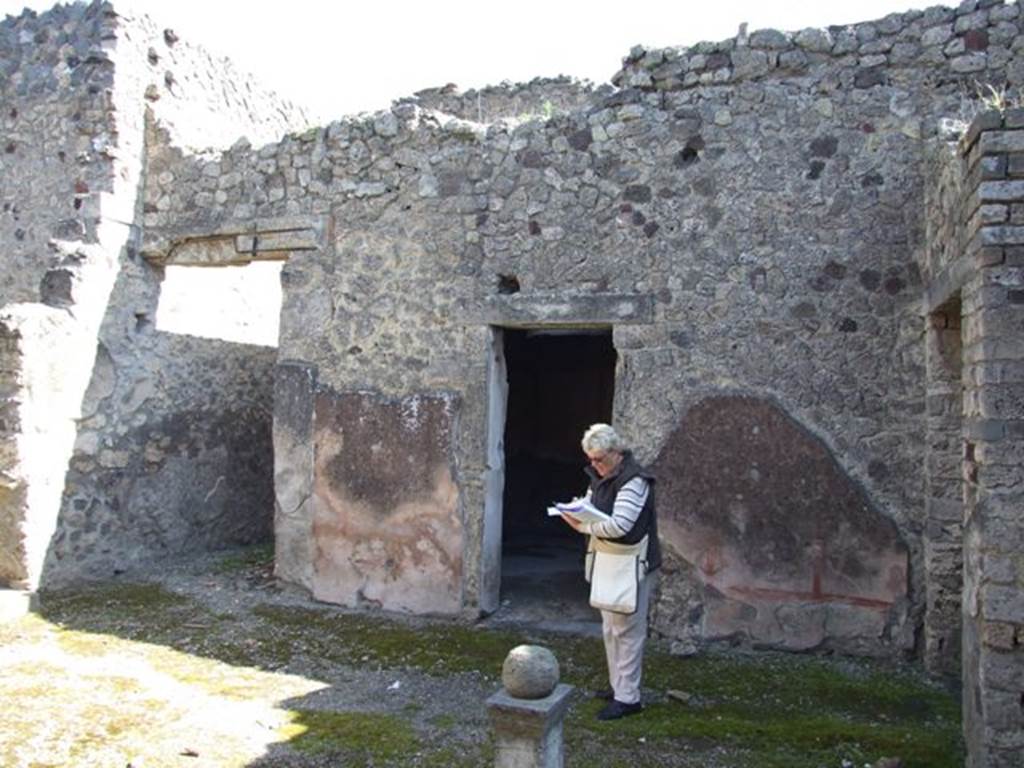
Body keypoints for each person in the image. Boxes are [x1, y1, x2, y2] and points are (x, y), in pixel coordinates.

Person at [560, 423, 662, 721]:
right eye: (590, 459)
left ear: (617, 453)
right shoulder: (600, 476)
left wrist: (581, 525)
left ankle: (629, 698)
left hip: (632, 564)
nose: (595, 465)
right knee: (610, 628)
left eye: (600, 458)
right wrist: (575, 508)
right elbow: (591, 505)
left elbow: (621, 525)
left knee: (628, 630)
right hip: (610, 561)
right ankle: (619, 686)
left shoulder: (635, 481)